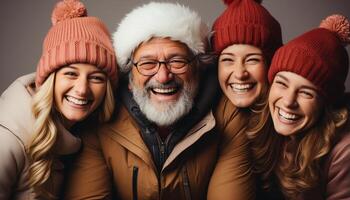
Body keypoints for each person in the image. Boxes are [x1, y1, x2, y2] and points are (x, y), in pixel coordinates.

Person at [64, 2, 254, 200]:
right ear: (129, 78)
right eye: (148, 64)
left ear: (198, 69)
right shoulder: (100, 117)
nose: (163, 77)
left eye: (177, 61)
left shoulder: (229, 117)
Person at [0, 0, 117, 199]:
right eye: (71, 74)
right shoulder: (7, 139)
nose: (82, 90)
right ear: (49, 80)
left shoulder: (84, 134)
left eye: (96, 78)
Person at [267, 14, 350, 199]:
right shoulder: (265, 128)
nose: (288, 101)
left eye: (306, 92)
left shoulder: (344, 152)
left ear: (326, 103)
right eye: (282, 83)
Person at [210, 0, 283, 197]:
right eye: (227, 60)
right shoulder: (207, 117)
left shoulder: (289, 121)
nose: (240, 73)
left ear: (271, 64)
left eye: (252, 59)